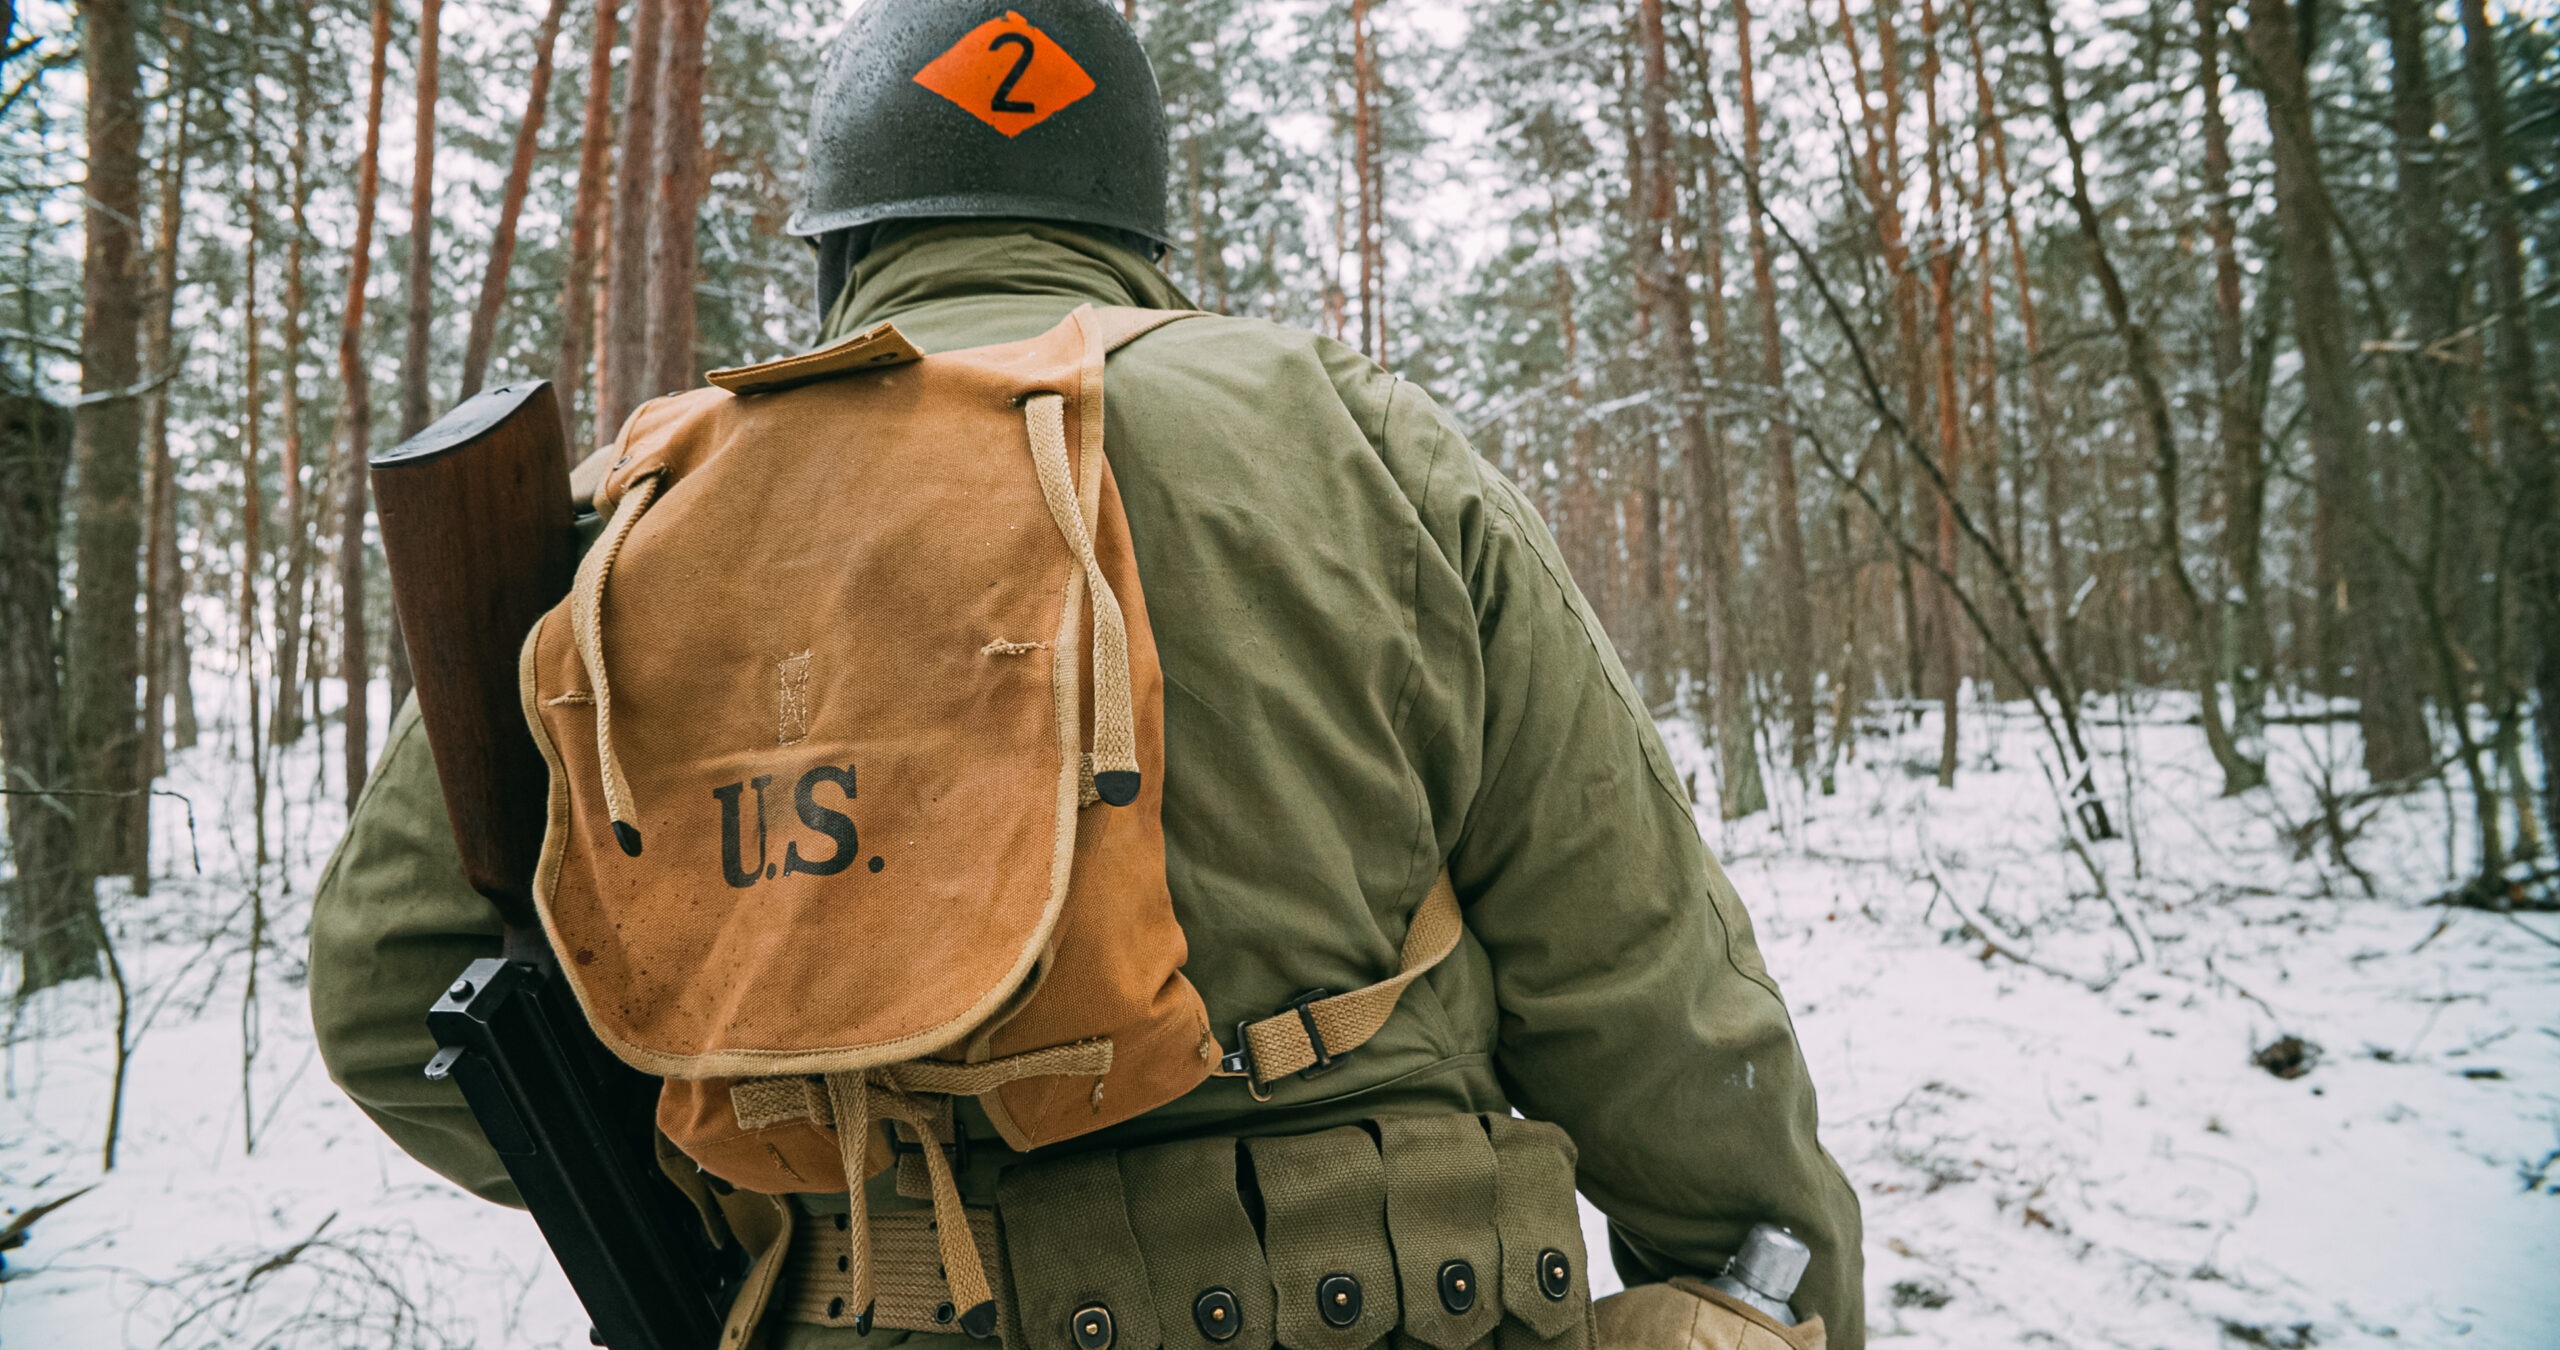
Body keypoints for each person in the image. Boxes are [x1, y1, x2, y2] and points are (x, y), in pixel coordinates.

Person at [309, 1, 1864, 1346]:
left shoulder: (632, 515)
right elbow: (1641, 972)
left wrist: (765, 1192)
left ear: (844, 240)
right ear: (1134, 235)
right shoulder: (1348, 432)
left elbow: (391, 989)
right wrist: (1760, 1275)